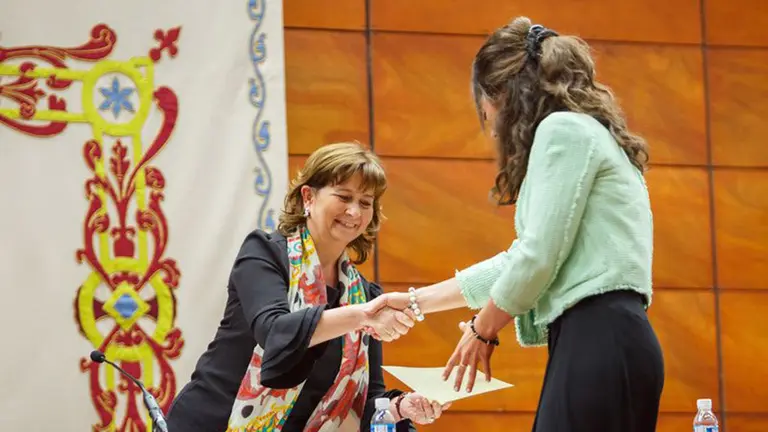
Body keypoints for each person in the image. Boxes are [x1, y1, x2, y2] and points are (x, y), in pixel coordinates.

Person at [376, 17, 664, 432]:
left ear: (505, 96)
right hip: (609, 339)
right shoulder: (590, 133)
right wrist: (417, 301)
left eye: (486, 111)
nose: (492, 126)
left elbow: (537, 256)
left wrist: (483, 330)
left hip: (599, 338)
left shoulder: (562, 130)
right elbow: (522, 257)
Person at [166, 143, 449, 432]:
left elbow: (362, 404)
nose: (354, 211)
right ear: (308, 197)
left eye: (365, 202)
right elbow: (276, 332)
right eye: (344, 196)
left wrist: (400, 408)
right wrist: (361, 316)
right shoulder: (264, 253)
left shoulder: (365, 296)